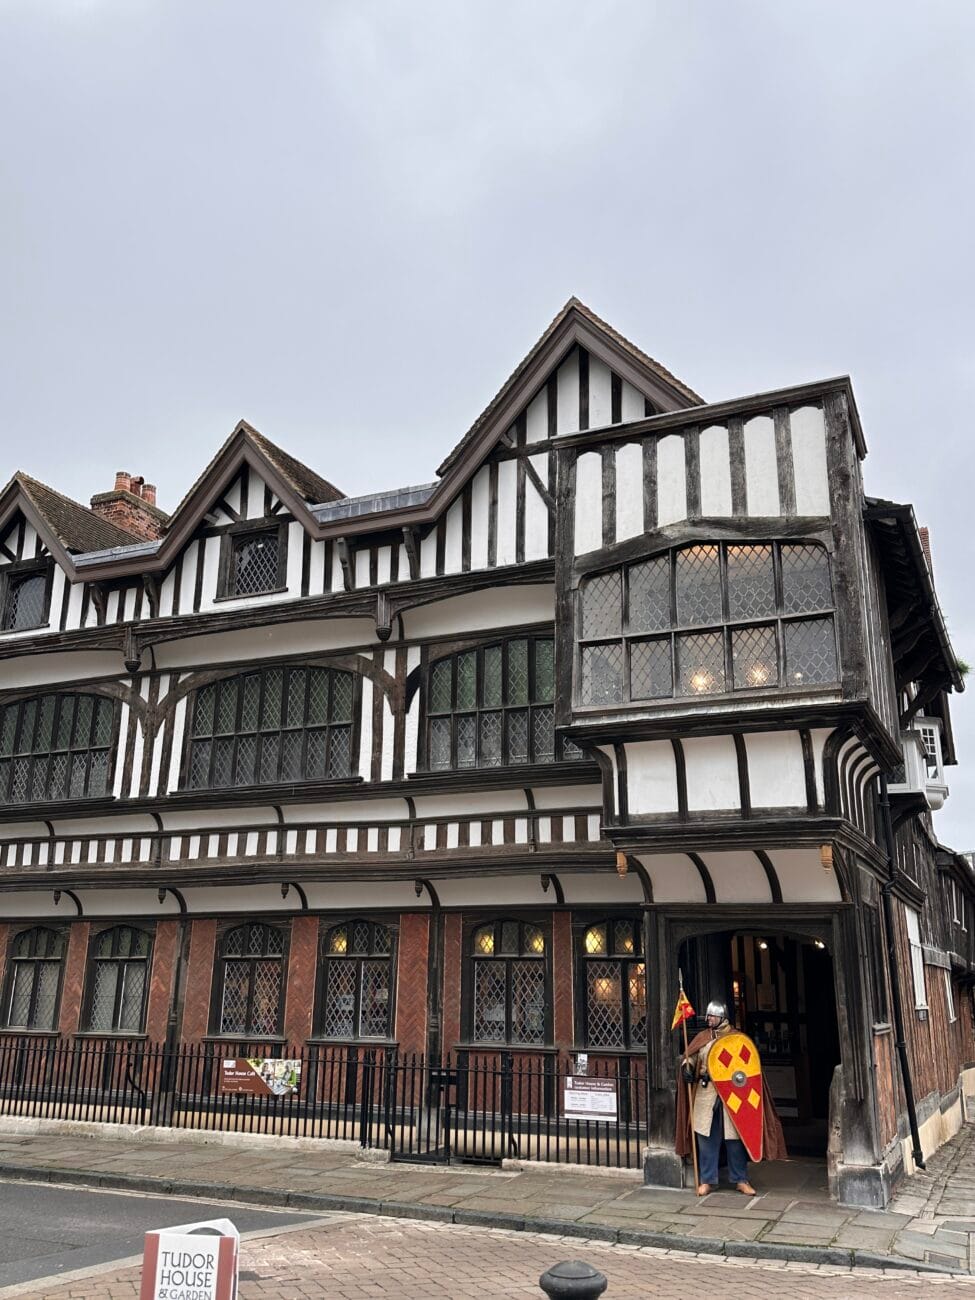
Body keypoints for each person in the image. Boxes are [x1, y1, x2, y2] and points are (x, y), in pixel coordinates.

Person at [676, 999, 786, 1196]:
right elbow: (690, 1058)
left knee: (735, 1139)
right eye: (708, 1016)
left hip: (734, 1097)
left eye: (712, 1016)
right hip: (706, 1092)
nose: (708, 1019)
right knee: (706, 1138)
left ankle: (740, 1179)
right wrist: (687, 1067)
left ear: (722, 1017)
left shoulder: (736, 1038)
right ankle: (707, 1180)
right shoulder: (703, 1037)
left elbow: (747, 1068)